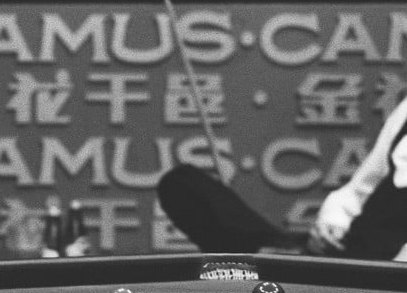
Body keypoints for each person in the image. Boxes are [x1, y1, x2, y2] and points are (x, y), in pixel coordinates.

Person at [158, 94, 407, 261]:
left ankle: (269, 263)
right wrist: (333, 222)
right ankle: (276, 256)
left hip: (380, 270)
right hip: (339, 250)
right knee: (181, 184)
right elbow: (357, 190)